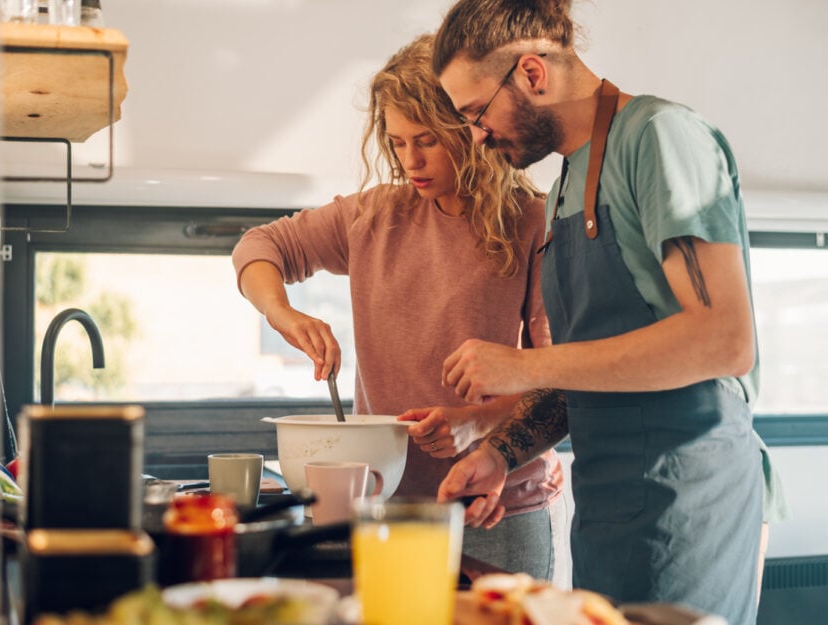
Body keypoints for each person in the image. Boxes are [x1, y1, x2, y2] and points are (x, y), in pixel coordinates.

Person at [429, 1, 768, 623]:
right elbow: (597, 367)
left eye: (476, 113)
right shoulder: (566, 182)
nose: (476, 135)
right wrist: (501, 451)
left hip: (685, 503)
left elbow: (724, 339)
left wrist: (523, 366)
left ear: (532, 73)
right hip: (610, 508)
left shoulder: (660, 136)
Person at [231, 34, 569, 583]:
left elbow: (561, 379)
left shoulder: (532, 223)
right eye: (397, 143)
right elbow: (259, 247)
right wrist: (283, 314)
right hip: (385, 504)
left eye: (428, 141)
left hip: (500, 505)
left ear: (468, 125)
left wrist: (474, 425)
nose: (410, 161)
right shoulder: (373, 218)